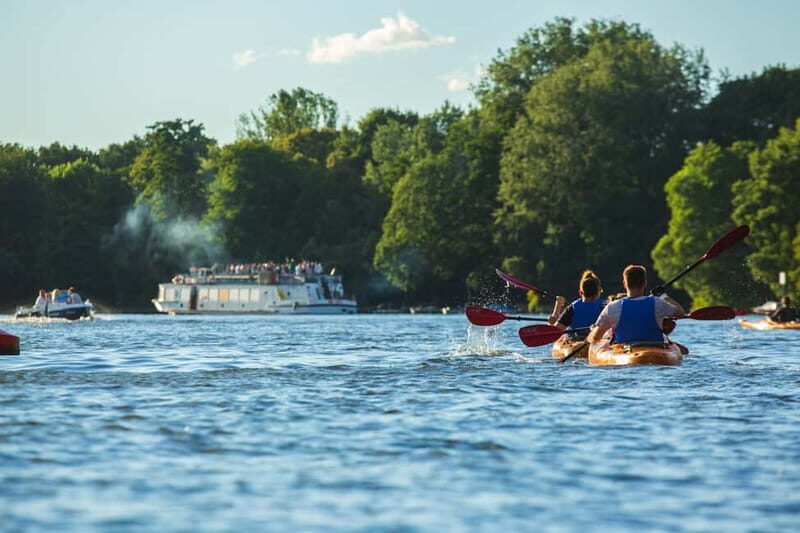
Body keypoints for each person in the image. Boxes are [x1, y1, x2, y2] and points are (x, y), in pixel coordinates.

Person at [588, 264, 686, 344]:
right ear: (645, 283)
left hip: (625, 354)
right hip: (656, 350)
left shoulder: (612, 307)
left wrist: (593, 331)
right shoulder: (658, 303)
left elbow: (595, 338)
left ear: (624, 284)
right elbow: (681, 313)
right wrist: (664, 296)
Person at [548, 270, 606, 336]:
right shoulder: (606, 306)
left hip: (575, 343)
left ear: (580, 293)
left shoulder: (572, 308)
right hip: (598, 343)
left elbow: (554, 333)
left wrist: (558, 306)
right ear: (598, 292)